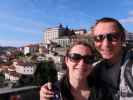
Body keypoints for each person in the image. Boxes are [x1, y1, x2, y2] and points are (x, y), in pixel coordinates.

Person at [40, 17, 133, 100]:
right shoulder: (95, 68)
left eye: (113, 37)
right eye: (99, 38)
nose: (106, 44)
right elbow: (74, 77)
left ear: (123, 38)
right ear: (66, 60)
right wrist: (48, 89)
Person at [40, 41, 109, 100]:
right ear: (66, 61)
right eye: (75, 57)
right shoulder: (52, 93)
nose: (81, 63)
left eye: (88, 59)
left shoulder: (104, 91)